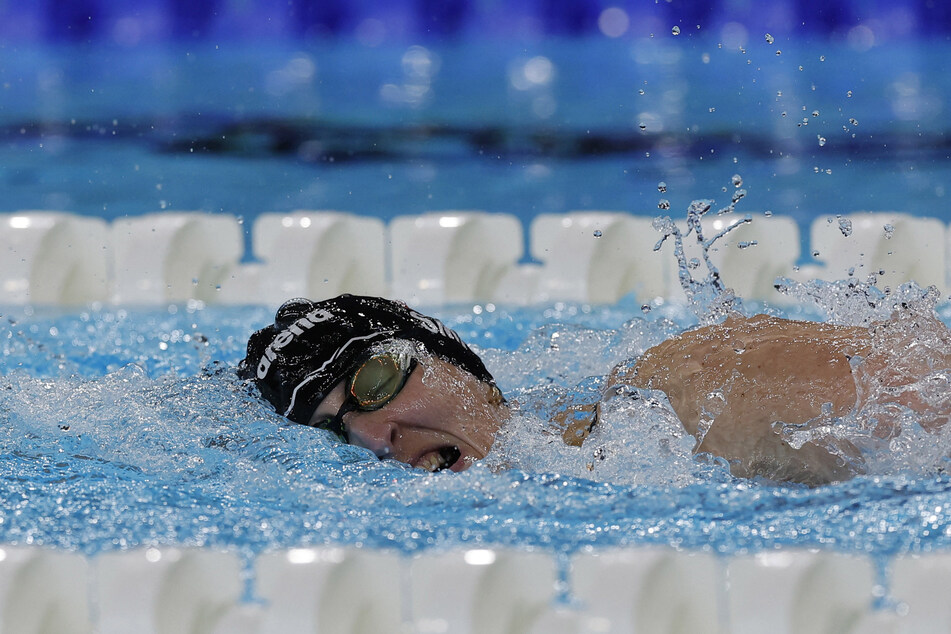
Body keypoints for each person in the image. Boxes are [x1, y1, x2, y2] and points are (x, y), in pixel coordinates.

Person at [239, 294, 951, 484]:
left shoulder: (687, 398)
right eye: (331, 429)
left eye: (373, 381)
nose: (372, 436)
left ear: (459, 360)